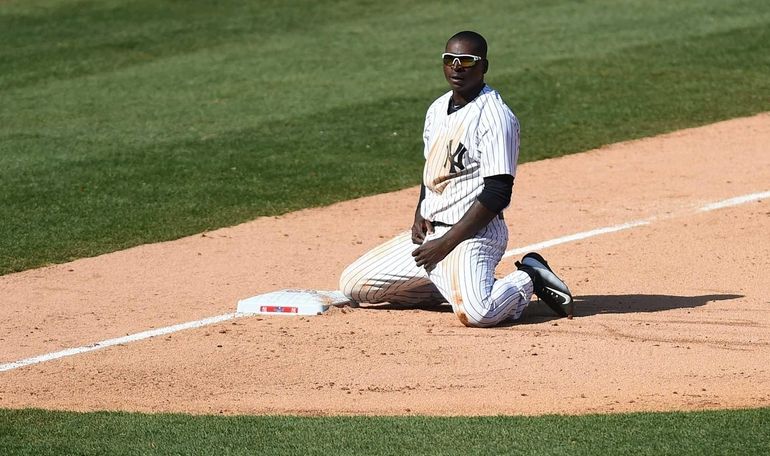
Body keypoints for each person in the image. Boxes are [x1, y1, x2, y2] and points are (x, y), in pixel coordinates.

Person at [339, 31, 573, 327]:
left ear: (484, 66)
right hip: (432, 238)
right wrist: (419, 212)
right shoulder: (437, 109)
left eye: (467, 60)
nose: (457, 67)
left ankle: (529, 277)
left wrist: (446, 243)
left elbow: (498, 192)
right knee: (355, 285)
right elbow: (433, 170)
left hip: (474, 236)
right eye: (450, 60)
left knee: (479, 314)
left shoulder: (495, 117)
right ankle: (454, 288)